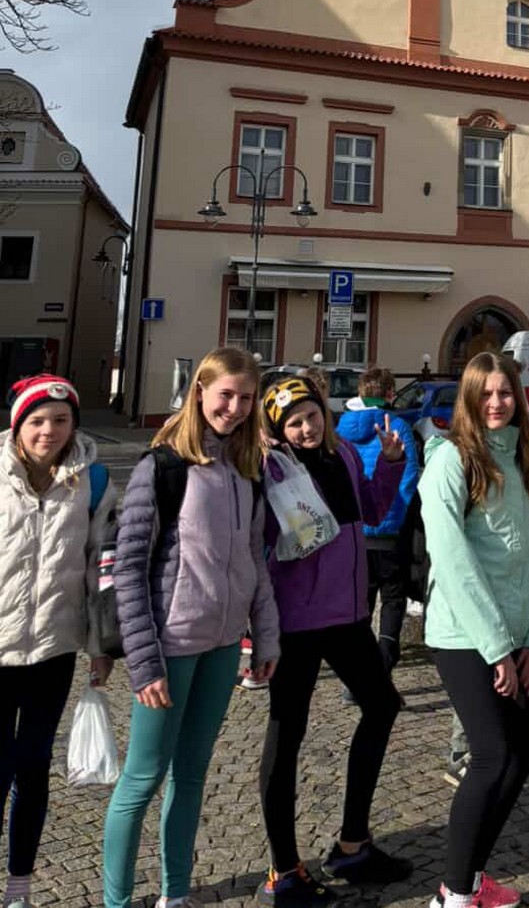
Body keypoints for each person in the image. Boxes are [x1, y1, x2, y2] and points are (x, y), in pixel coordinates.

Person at [104, 346, 280, 908]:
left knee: (193, 775)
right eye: (225, 394)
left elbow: (254, 559)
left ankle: (174, 895)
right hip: (171, 646)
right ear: (199, 391)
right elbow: (128, 567)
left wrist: (266, 636)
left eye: (246, 398)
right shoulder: (163, 467)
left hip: (223, 646)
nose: (234, 407)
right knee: (141, 780)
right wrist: (145, 661)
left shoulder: (247, 471)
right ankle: (116, 901)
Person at [257, 374, 413, 903]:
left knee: (382, 705)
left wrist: (390, 464)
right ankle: (284, 870)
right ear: (277, 429)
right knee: (286, 735)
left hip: (347, 617)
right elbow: (257, 537)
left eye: (310, 416)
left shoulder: (342, 453)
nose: (305, 428)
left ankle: (352, 844)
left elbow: (371, 510)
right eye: (293, 423)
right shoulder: (270, 466)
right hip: (296, 622)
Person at [420, 352, 529, 908]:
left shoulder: (522, 461)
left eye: (505, 392)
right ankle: (453, 894)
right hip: (464, 636)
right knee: (493, 755)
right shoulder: (451, 461)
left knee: (526, 750)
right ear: (469, 399)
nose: (496, 403)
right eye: (485, 393)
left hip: (517, 638)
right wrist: (497, 648)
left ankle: (471, 879)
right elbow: (454, 564)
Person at [0, 376, 118, 908]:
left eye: (60, 420)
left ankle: (19, 887)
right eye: (37, 421)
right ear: (17, 425)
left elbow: (100, 568)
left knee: (32, 766)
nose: (48, 430)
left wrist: (100, 646)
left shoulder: (92, 481)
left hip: (54, 648)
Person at [336, 367, 420, 674]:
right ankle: (383, 659)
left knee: (361, 599)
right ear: (389, 394)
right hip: (389, 529)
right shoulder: (396, 426)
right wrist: (398, 518)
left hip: (354, 528)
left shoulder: (340, 428)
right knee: (393, 596)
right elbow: (409, 478)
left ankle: (357, 670)